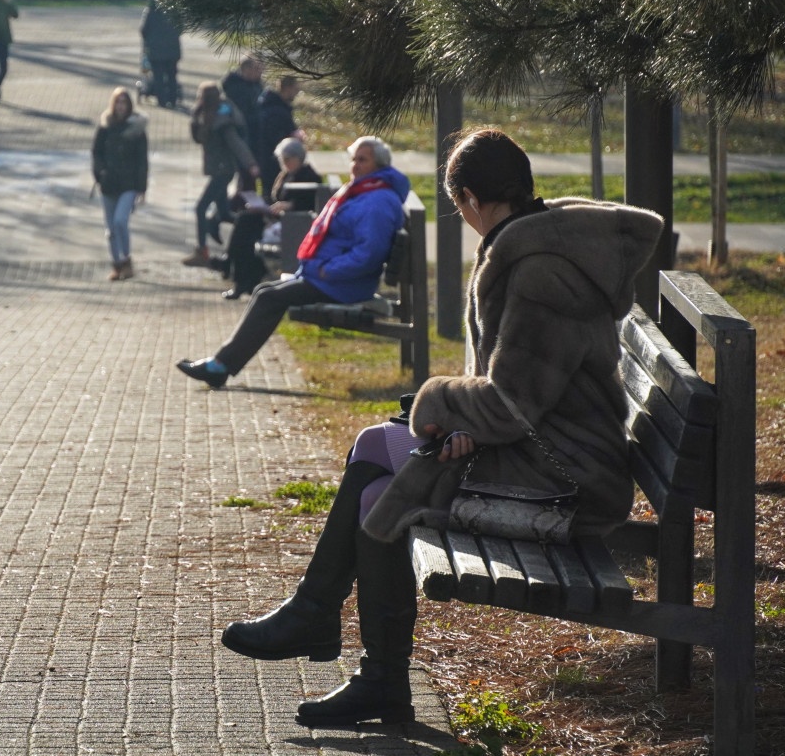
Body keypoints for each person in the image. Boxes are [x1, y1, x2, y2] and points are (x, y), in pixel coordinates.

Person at [218, 127, 663, 729]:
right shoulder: (534, 243)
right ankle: (324, 621)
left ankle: (361, 660)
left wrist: (444, 407)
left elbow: (511, 404)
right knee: (376, 446)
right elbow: (521, 400)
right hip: (540, 450)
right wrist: (461, 426)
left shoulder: (543, 273)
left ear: (472, 199)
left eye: (459, 206)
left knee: (384, 489)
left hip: (567, 480)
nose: (462, 217)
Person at [177, 135, 406, 386]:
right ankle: (221, 364)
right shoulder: (365, 191)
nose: (355, 166)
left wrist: (325, 270)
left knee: (268, 297)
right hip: (333, 277)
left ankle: (220, 366)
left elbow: (369, 255)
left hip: (343, 283)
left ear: (380, 165)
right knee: (265, 290)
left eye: (363, 160)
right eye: (353, 159)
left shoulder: (377, 200)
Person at [219, 137, 321, 299]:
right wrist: (261, 204)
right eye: (282, 160)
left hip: (292, 223)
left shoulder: (309, 176)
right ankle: (240, 278)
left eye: (288, 159)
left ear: (299, 158)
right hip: (275, 218)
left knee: (246, 228)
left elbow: (310, 203)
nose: (284, 163)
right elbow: (274, 199)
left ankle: (233, 267)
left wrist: (289, 205)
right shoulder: (285, 175)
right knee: (245, 220)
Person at [183, 81, 258, 268]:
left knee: (201, 208)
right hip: (219, 169)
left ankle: (202, 252)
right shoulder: (206, 116)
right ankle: (255, 232)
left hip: (223, 171)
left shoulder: (223, 121)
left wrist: (250, 164)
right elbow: (198, 137)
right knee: (225, 213)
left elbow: (236, 144)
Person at [92, 87, 149, 281]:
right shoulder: (105, 125)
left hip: (129, 183)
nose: (120, 107)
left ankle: (126, 259)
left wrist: (142, 187)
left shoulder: (137, 129)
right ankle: (117, 264)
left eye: (124, 103)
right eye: (117, 102)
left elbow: (143, 160)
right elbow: (96, 152)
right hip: (109, 183)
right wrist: (100, 173)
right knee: (110, 230)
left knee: (120, 221)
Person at [255, 75, 304, 202]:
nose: (297, 93)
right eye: (295, 90)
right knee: (273, 197)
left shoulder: (274, 106)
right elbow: (275, 138)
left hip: (268, 160)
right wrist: (293, 137)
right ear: (287, 89)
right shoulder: (277, 111)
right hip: (273, 163)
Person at [221, 55, 264, 195]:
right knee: (244, 174)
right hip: (243, 136)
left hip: (254, 136)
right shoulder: (237, 89)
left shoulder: (255, 85)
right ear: (246, 70)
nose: (261, 73)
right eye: (257, 69)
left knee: (246, 178)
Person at [140, 0, 182, 109]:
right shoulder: (174, 11)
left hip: (155, 51)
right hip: (172, 50)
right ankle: (172, 100)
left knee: (158, 77)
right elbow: (181, 28)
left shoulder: (150, 12)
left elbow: (143, 30)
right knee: (172, 76)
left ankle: (161, 101)